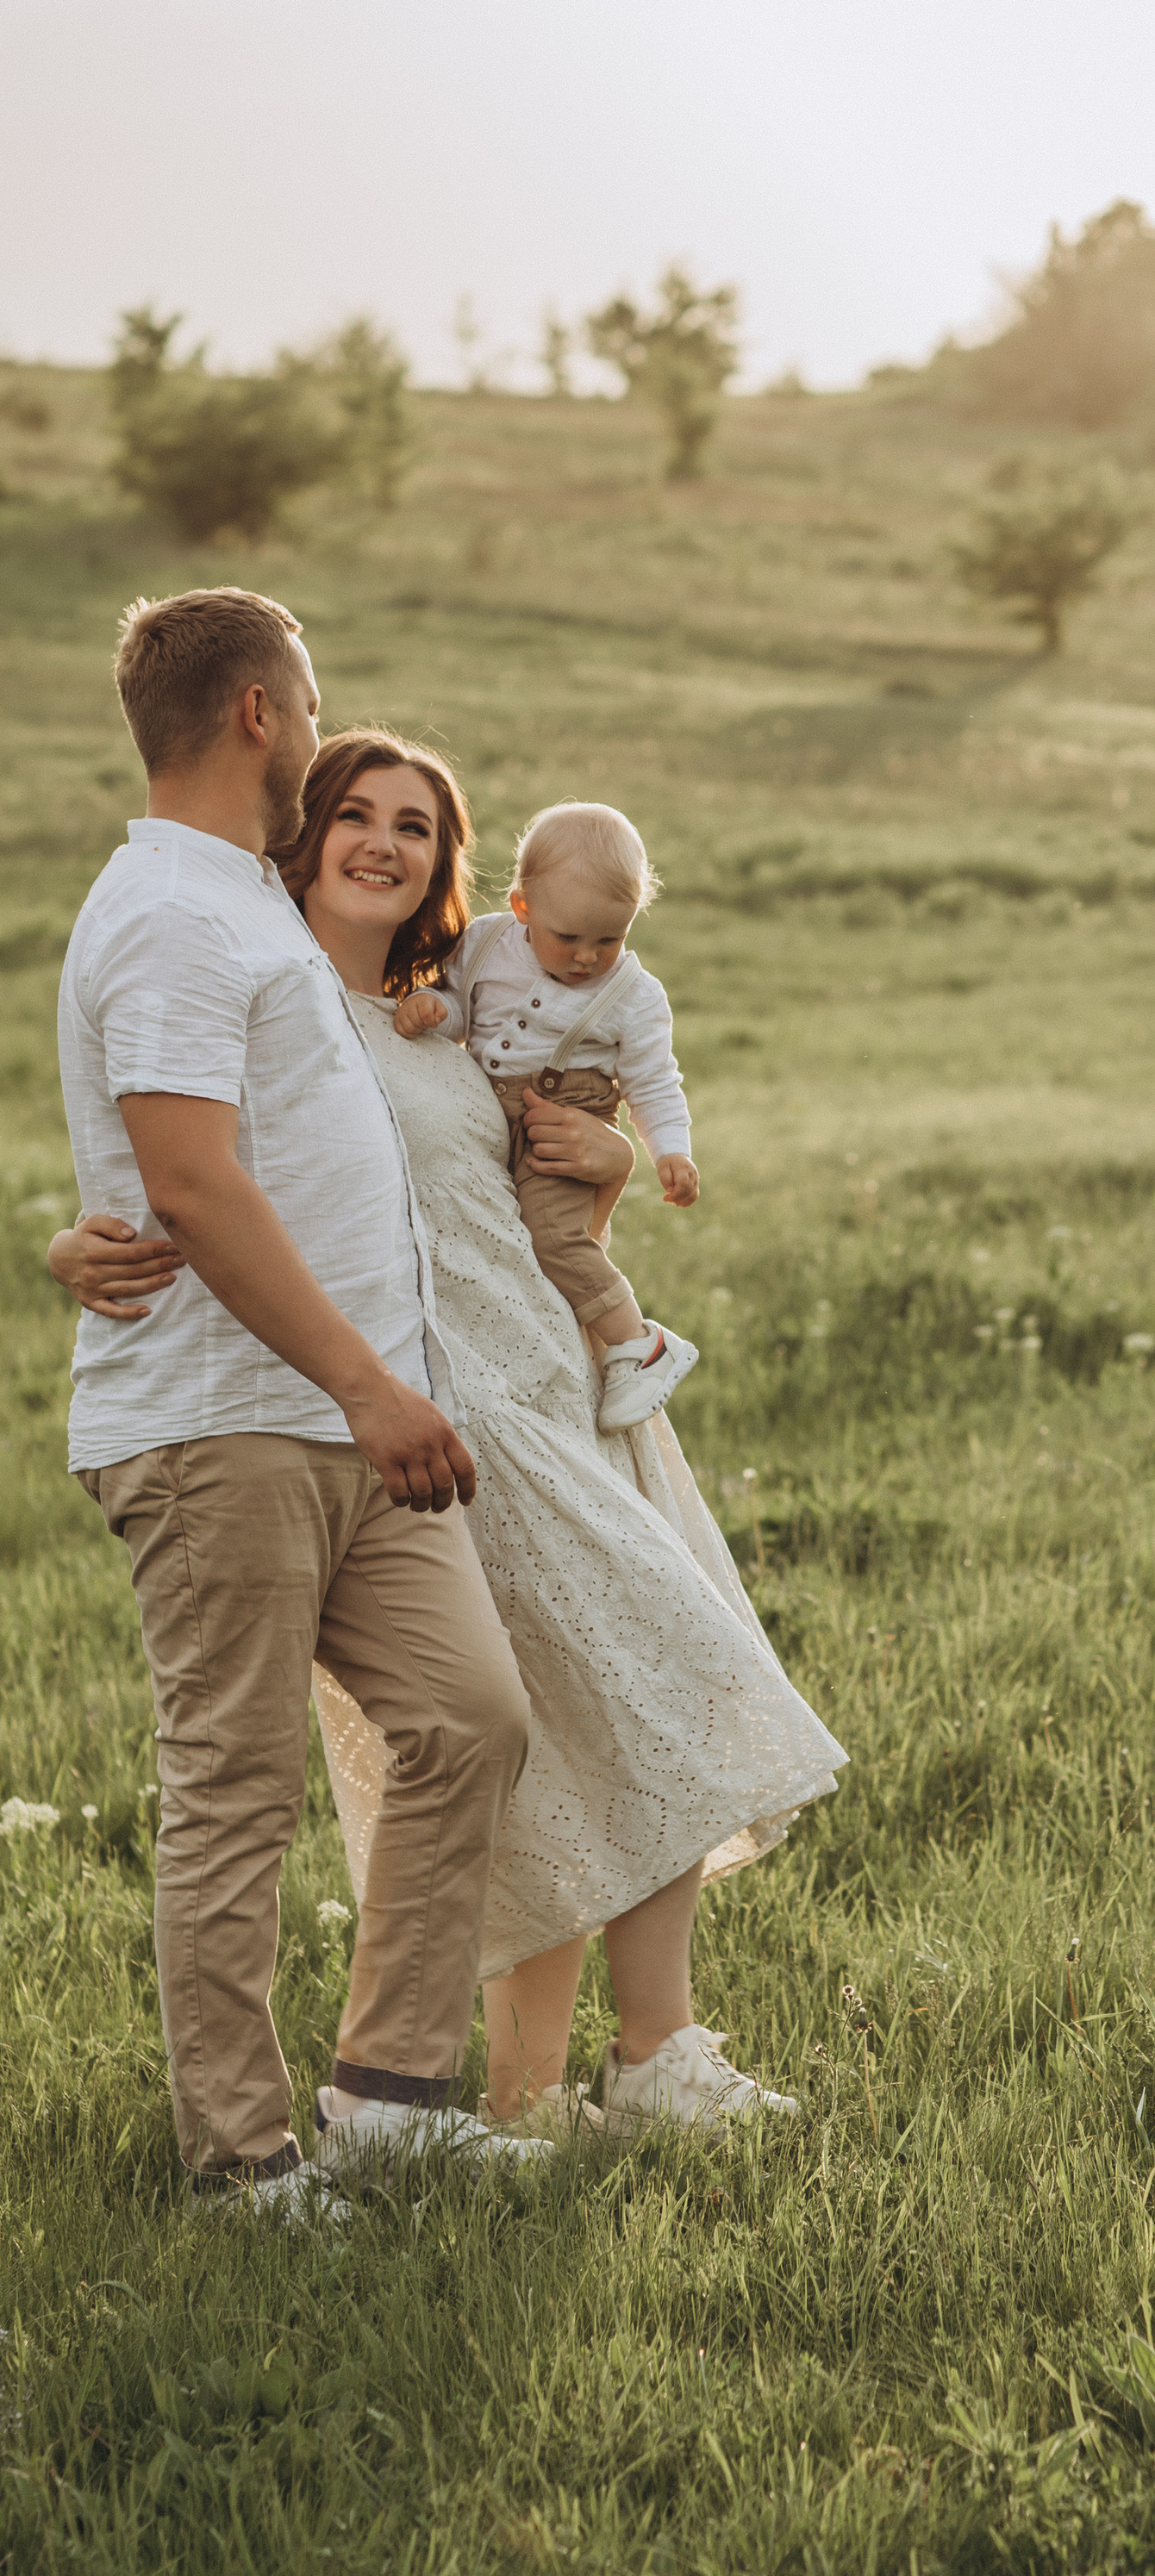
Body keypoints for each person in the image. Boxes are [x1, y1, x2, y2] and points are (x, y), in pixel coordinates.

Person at [56, 724, 844, 2138]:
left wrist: (607, 1159)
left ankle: (551, 2087)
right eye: (354, 812)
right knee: (603, 1704)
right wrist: (83, 1240)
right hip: (427, 1421)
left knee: (586, 1722)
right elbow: (190, 1166)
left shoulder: (442, 1017)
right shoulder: (280, 1005)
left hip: (550, 1394)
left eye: (414, 826)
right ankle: (617, 2065)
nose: (383, 842)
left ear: (446, 867)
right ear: (301, 836)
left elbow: (530, 1183)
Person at [55, 588, 535, 2220]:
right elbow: (188, 1179)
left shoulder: (250, 906)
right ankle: (242, 2161)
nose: (324, 732)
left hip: (347, 1428)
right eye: (314, 702)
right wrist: (367, 1382)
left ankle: (387, 2097)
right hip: (224, 1425)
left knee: (469, 1716)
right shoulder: (173, 915)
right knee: (236, 1785)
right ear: (260, 712)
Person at [393, 799, 702, 1434]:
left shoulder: (634, 996)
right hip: (488, 1110)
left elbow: (653, 1079)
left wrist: (670, 1149)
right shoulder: (484, 945)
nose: (587, 958)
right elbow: (461, 1010)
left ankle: (638, 1343)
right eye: (569, 938)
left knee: (555, 1239)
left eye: (610, 939)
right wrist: (431, 1009)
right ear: (522, 907)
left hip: (566, 1119)